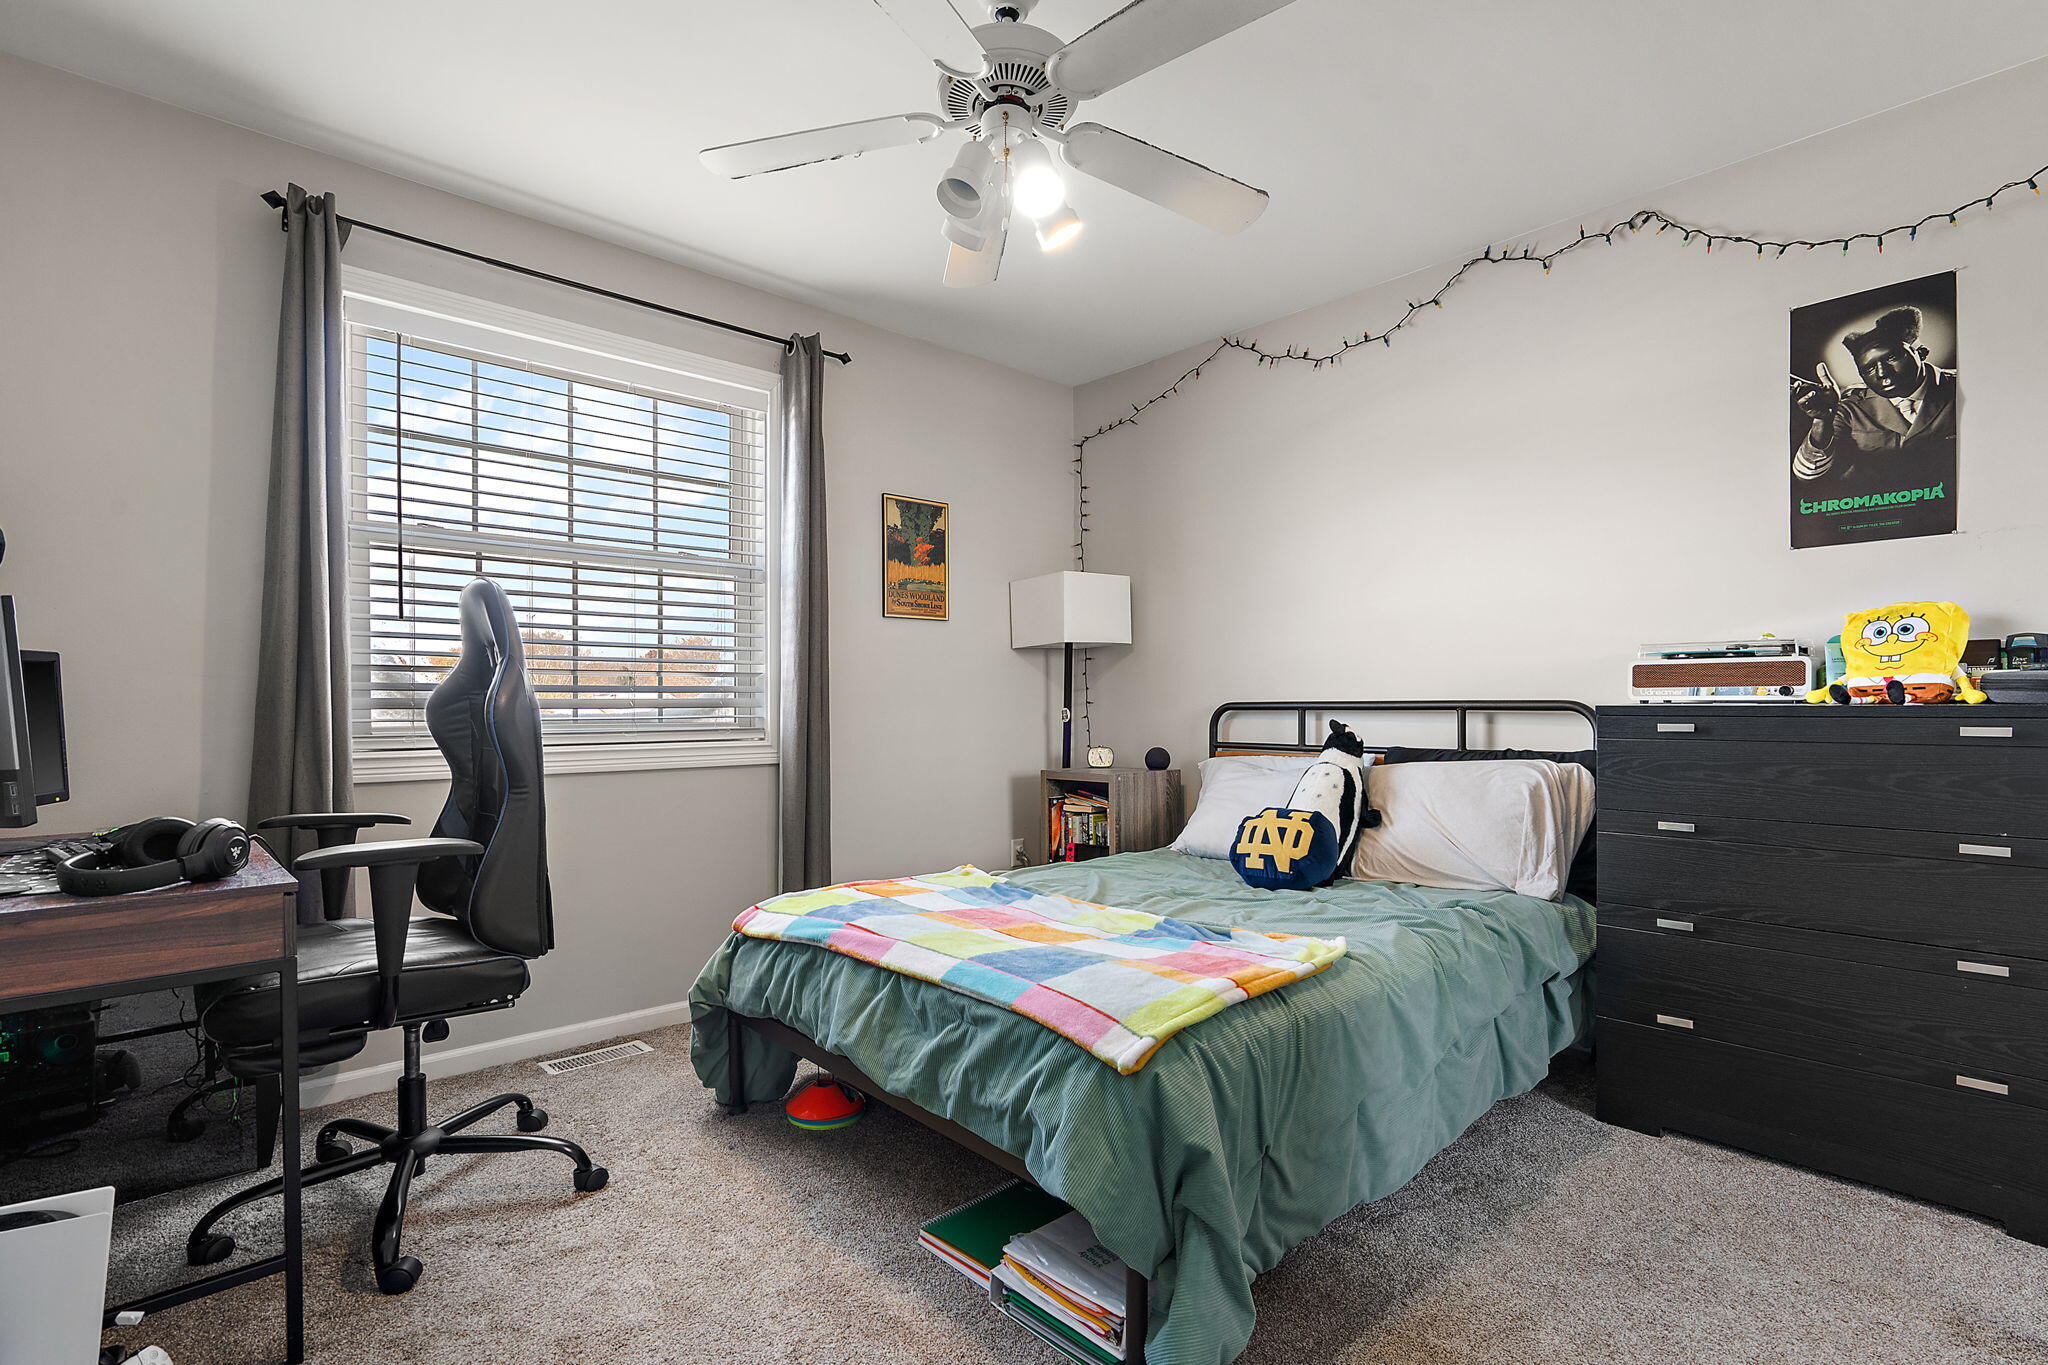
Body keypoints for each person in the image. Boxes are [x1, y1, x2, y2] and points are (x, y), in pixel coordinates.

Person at [1791, 305, 1955, 483]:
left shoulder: (1962, 385)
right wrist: (1822, 421)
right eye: (1869, 369)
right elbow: (1808, 475)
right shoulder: (1850, 407)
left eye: (1891, 358)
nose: (1882, 373)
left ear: (1921, 353)